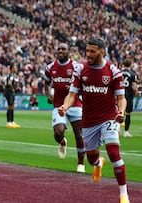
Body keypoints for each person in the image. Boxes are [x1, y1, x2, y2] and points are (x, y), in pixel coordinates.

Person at [58, 38, 129, 203]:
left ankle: (123, 194)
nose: (88, 54)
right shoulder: (81, 70)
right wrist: (65, 107)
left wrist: (121, 111)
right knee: (91, 158)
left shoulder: (113, 71)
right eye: (87, 51)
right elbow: (72, 94)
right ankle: (98, 164)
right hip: (89, 121)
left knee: (113, 152)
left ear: (102, 52)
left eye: (92, 51)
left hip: (109, 118)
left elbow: (121, 98)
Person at [44, 43, 85, 173]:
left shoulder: (76, 66)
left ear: (69, 51)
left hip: (75, 104)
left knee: (79, 134)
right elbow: (46, 83)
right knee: (58, 132)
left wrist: (74, 88)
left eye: (63, 49)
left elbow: (84, 83)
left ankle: (80, 163)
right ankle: (62, 142)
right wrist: (48, 94)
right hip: (58, 105)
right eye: (59, 49)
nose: (60, 51)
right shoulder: (50, 67)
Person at [120, 58, 139, 138]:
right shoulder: (132, 74)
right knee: (128, 113)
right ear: (131, 64)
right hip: (128, 95)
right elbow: (134, 87)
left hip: (120, 95)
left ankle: (115, 130)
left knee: (119, 113)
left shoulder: (119, 73)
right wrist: (136, 93)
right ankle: (126, 132)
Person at [3, 63, 20, 128]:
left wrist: (17, 87)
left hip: (10, 92)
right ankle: (8, 122)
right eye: (15, 67)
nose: (16, 68)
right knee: (10, 106)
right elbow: (9, 83)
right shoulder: (11, 75)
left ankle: (12, 121)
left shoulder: (14, 75)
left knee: (12, 106)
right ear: (12, 69)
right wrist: (12, 89)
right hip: (9, 92)